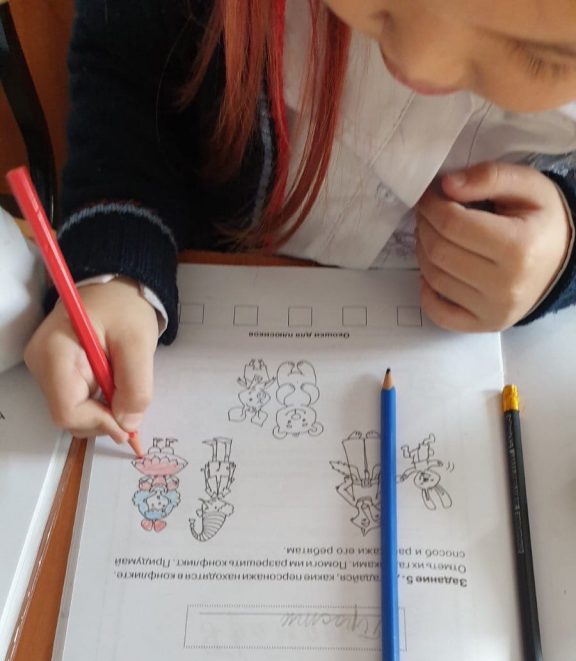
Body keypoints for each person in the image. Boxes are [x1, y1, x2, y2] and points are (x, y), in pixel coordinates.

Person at [23, 0, 576, 444]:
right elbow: (129, 81)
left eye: (541, 56)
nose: (418, 63)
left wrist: (564, 252)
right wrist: (116, 270)